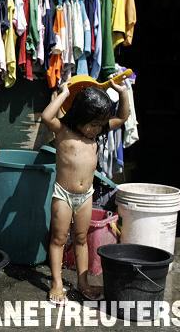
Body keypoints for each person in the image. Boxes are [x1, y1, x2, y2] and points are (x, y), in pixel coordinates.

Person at [41, 80, 129, 305]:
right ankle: (57, 283)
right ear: (78, 115)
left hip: (85, 196)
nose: (96, 129)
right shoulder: (63, 131)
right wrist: (64, 93)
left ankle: (83, 282)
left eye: (99, 125)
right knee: (59, 239)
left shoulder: (95, 135)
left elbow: (123, 117)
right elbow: (46, 117)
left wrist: (123, 93)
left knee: (81, 239)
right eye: (92, 124)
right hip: (63, 195)